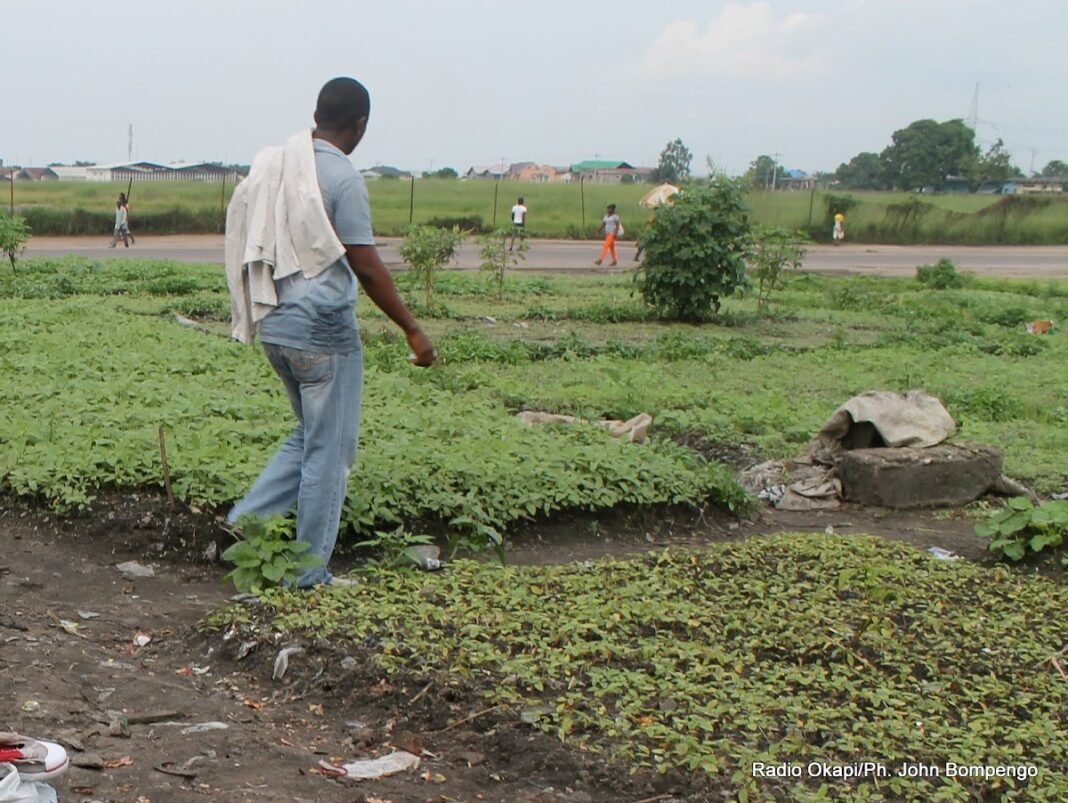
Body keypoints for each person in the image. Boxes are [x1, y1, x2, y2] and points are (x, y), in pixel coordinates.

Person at [223, 77, 436, 589]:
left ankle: (246, 521)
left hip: (276, 324)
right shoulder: (343, 177)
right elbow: (365, 265)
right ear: (360, 125)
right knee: (331, 451)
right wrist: (413, 329)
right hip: (323, 334)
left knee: (312, 435)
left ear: (316, 116)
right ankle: (308, 574)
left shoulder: (279, 166)